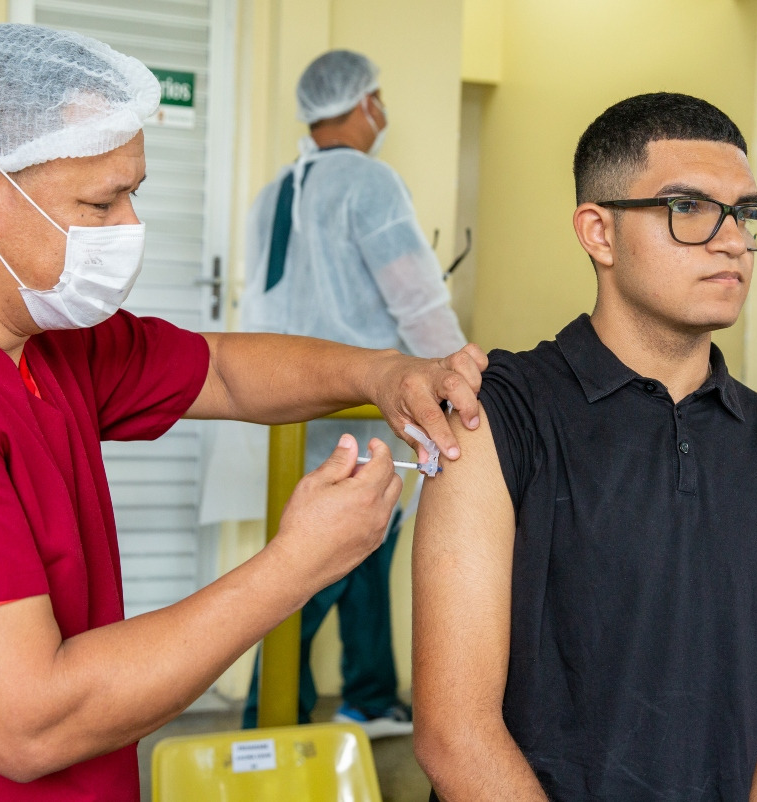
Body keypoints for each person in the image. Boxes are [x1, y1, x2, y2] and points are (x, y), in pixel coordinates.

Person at [0, 24, 487, 801]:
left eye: (132, 193)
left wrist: (383, 370)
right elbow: (29, 720)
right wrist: (297, 564)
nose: (129, 229)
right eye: (101, 201)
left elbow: (228, 371)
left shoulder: (43, 340)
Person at [411, 92, 757, 800]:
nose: (732, 240)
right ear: (599, 233)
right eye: (690, 209)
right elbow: (455, 733)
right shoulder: (495, 412)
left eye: (746, 214)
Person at [238, 49, 466, 737]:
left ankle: (370, 692)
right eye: (380, 99)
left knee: (371, 543)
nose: (384, 113)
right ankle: (266, 715)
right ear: (364, 102)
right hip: (364, 400)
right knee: (320, 561)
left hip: (290, 402)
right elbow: (416, 295)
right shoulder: (369, 183)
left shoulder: (277, 190)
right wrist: (456, 375)